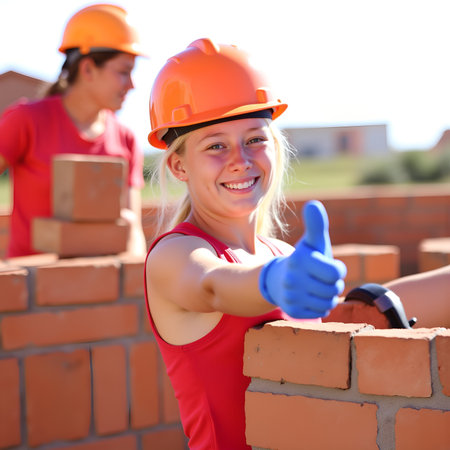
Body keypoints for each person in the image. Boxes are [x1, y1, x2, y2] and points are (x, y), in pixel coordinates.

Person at [144, 38, 347, 449]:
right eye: (216, 145)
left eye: (255, 139)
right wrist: (274, 281)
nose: (240, 158)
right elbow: (214, 283)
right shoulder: (175, 254)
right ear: (180, 165)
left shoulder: (284, 254)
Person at [0, 4, 147, 257]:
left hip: (101, 290)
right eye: (124, 72)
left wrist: (135, 282)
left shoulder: (126, 139)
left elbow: (131, 228)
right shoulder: (26, 120)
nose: (132, 85)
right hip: (30, 290)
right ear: (88, 68)